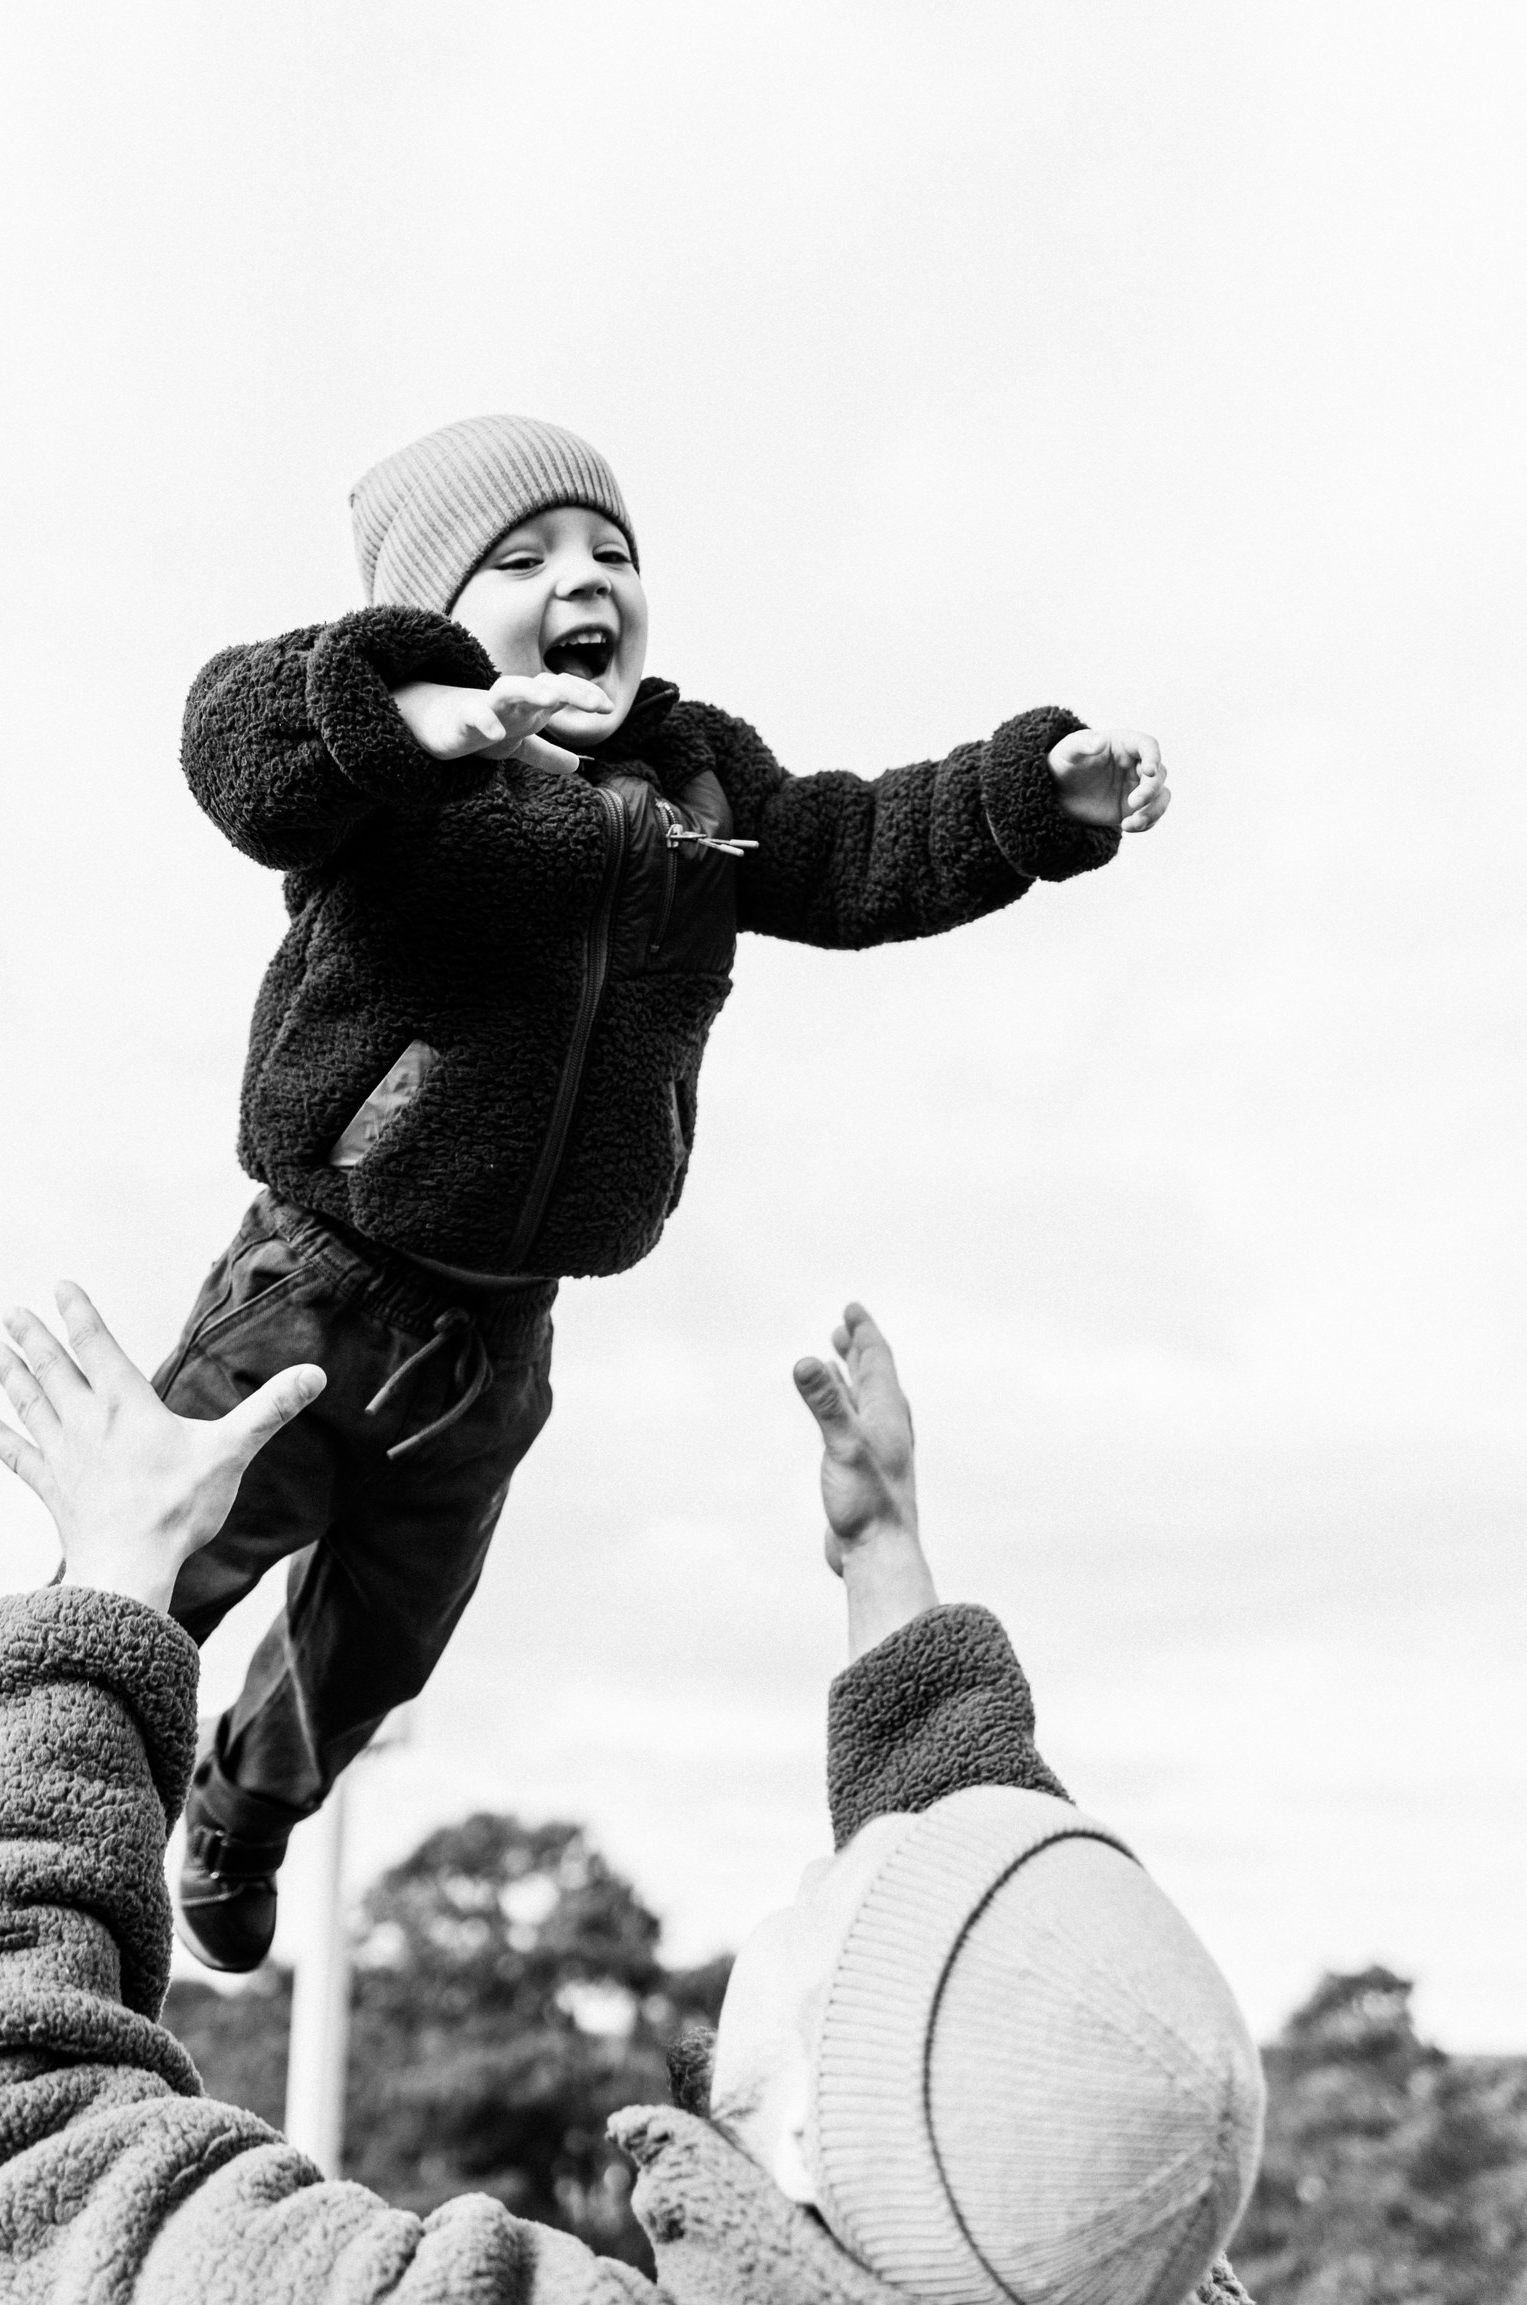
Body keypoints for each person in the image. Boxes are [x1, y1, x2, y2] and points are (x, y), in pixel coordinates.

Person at [0, 1285, 1294, 2305]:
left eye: (847, 1897)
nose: (850, 1850)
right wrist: (888, 1572)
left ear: (802, 2138)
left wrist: (113, 1575)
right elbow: (1065, 2066)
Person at [160, 411, 1174, 1970]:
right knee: (150, 1566)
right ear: (441, 610)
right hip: (311, 1283)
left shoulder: (702, 779)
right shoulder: (394, 769)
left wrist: (1026, 804)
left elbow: (853, 849)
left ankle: (239, 1816)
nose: (586, 581)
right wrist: (392, 711)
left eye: (611, 554)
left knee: (376, 1646)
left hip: (499, 1345)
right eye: (526, 559)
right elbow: (234, 748)